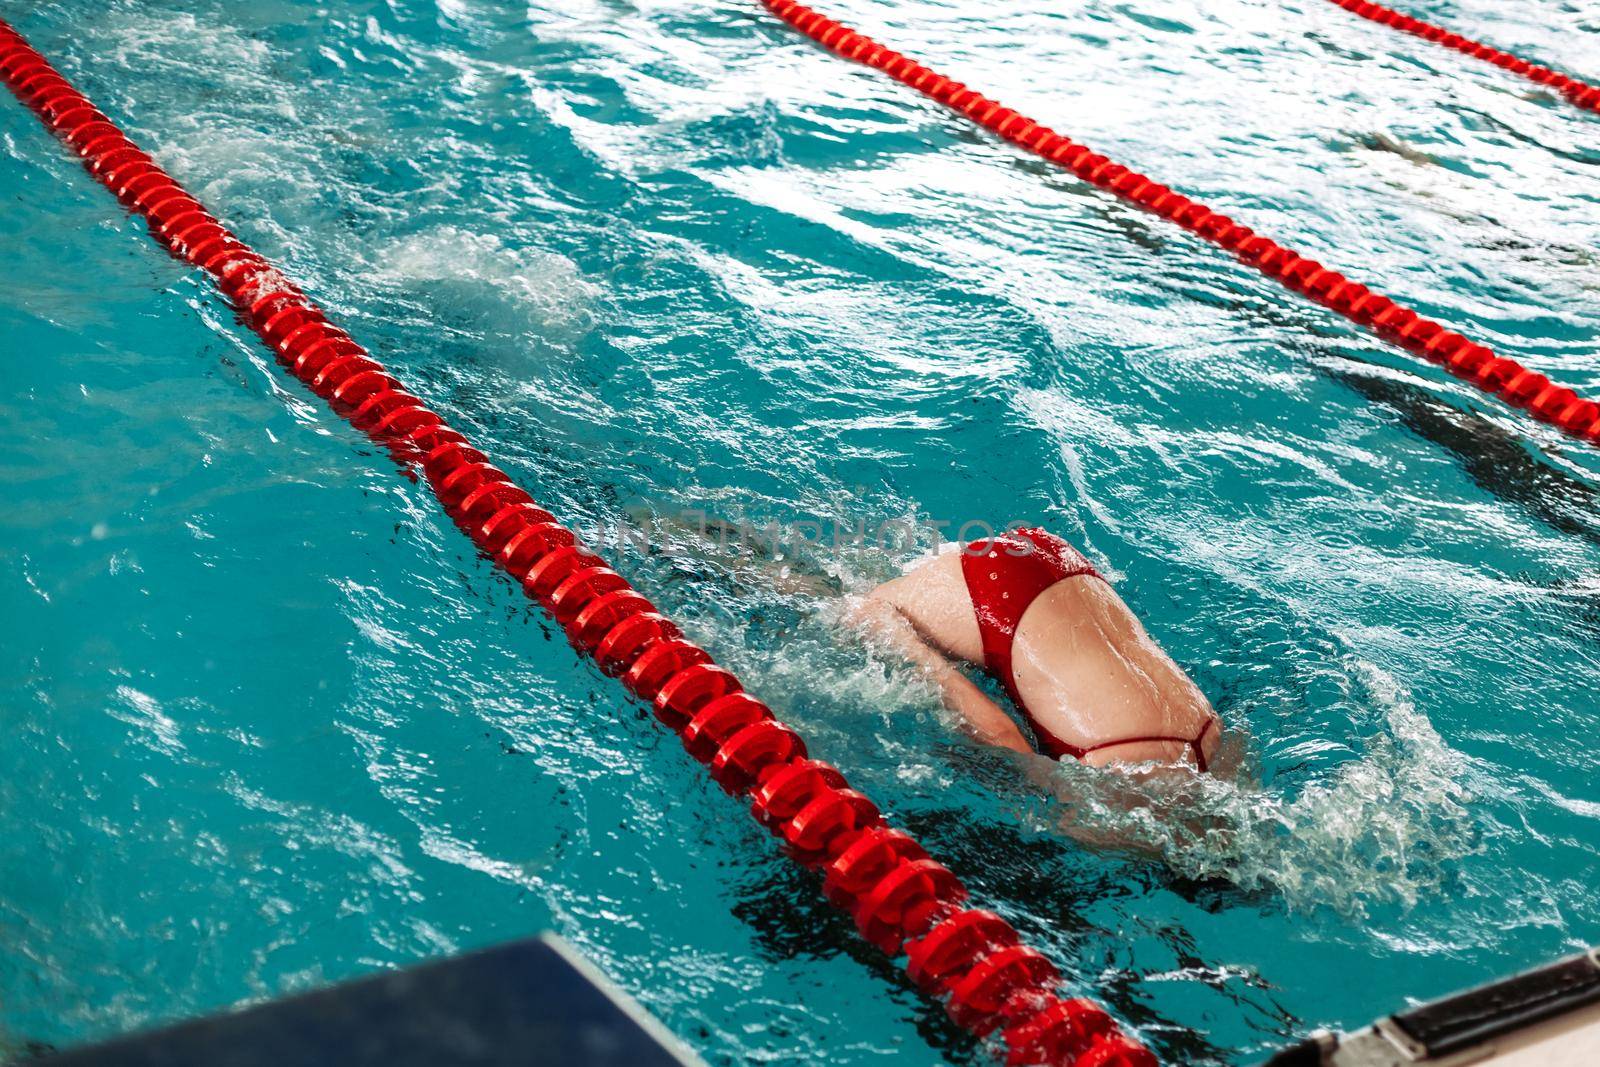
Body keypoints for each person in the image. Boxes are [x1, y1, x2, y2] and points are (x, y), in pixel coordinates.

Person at [847, 527, 1220, 771]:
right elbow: (1002, 737)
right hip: (998, 596)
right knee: (859, 612)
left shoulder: (1224, 753)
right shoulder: (1115, 809)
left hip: (1057, 561)